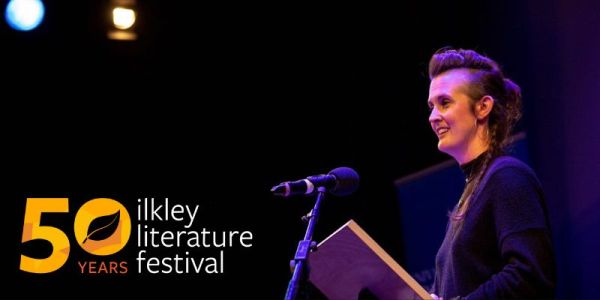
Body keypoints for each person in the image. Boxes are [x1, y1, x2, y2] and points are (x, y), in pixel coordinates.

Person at [426, 48, 555, 299]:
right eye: (431, 106)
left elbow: (529, 276)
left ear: (483, 107)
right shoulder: (477, 187)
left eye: (445, 103)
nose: (433, 117)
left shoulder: (507, 177)